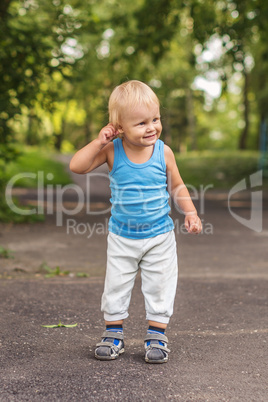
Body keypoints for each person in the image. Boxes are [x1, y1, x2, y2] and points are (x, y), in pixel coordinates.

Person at [69, 80, 202, 364]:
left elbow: (177, 186)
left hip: (159, 237)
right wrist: (99, 141)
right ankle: (113, 334)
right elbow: (76, 166)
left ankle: (157, 335)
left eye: (155, 119)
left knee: (160, 284)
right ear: (118, 127)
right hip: (122, 237)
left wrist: (190, 212)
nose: (152, 127)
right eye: (141, 123)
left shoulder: (163, 152)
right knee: (116, 285)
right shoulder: (111, 150)